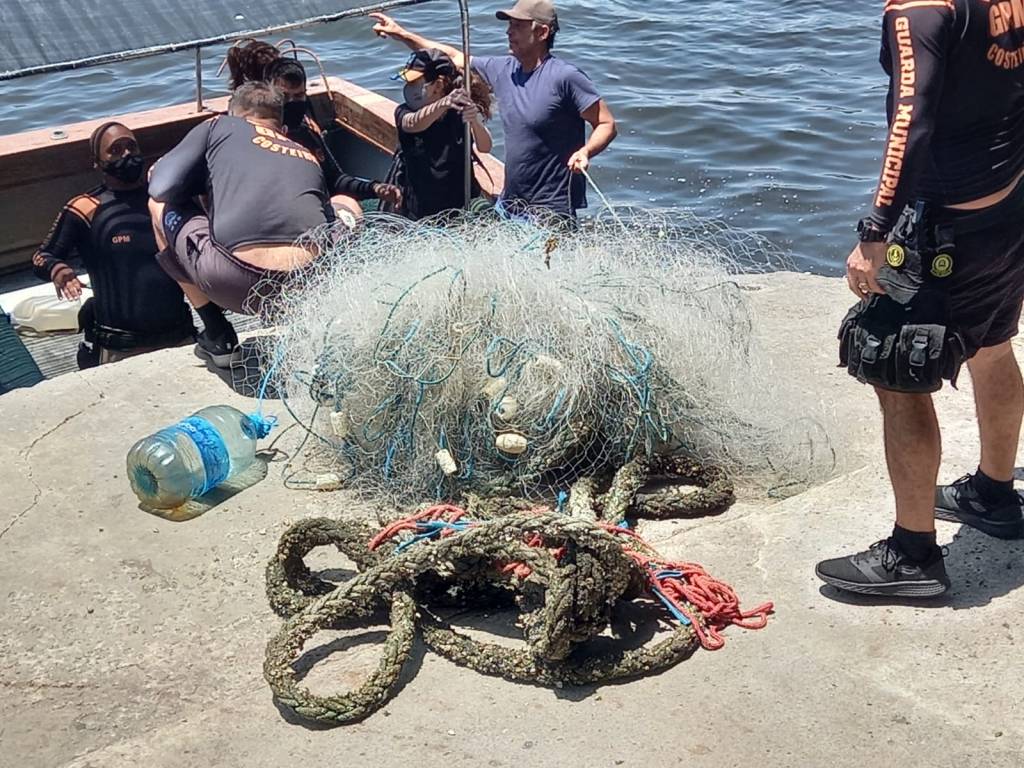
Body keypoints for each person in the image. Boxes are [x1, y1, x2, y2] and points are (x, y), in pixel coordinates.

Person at [816, 0, 1024, 598]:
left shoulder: (919, 10)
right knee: (992, 343)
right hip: (1005, 210)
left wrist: (875, 231)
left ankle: (914, 555)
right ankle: (993, 492)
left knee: (893, 365)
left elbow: (912, 119)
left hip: (948, 228)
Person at [371, 0, 617, 222]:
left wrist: (585, 152)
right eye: (509, 25)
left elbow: (606, 124)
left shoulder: (565, 77)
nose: (509, 32)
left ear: (542, 32)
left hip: (552, 206)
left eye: (518, 26)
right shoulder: (504, 69)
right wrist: (401, 34)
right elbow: (454, 58)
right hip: (511, 202)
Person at [148, 81, 333, 367]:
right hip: (304, 287)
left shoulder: (218, 126)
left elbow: (161, 186)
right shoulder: (305, 153)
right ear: (282, 129)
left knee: (158, 205)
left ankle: (218, 336)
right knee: (347, 205)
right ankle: (321, 334)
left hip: (232, 282)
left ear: (233, 114)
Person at [31, 122, 193, 367]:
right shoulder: (85, 208)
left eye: (131, 147)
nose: (126, 154)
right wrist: (58, 270)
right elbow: (42, 257)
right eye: (115, 150)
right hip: (121, 347)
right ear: (97, 162)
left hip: (180, 335)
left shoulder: (163, 198)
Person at [263, 57, 402, 221]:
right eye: (284, 97)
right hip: (277, 214)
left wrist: (375, 188)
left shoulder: (307, 134)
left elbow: (335, 180)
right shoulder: (258, 136)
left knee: (349, 204)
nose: (292, 103)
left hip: (316, 209)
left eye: (299, 95)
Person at [392, 48, 493, 220]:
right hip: (422, 210)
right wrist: (444, 104)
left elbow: (485, 147)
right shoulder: (404, 111)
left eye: (415, 83)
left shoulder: (458, 110)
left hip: (462, 203)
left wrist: (474, 121)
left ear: (437, 86)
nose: (409, 88)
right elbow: (413, 123)